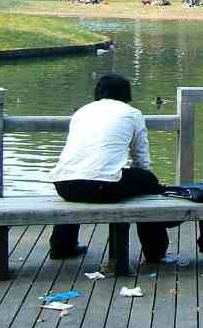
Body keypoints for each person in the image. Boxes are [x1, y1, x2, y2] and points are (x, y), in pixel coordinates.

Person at [48, 75, 173, 262]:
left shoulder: (82, 112)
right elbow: (141, 159)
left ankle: (61, 246)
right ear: (126, 93)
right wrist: (139, 178)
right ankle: (155, 251)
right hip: (103, 188)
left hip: (64, 184)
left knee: (84, 178)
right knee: (148, 181)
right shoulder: (132, 113)